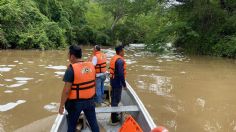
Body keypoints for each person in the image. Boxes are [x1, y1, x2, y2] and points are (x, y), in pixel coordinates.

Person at [59, 45, 99, 132]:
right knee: (93, 123)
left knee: (72, 125)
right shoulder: (91, 66)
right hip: (90, 101)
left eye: (68, 55)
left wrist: (61, 105)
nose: (68, 57)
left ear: (72, 56)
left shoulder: (71, 69)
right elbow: (94, 83)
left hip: (75, 103)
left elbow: (66, 91)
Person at [109, 45, 127, 125]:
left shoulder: (114, 58)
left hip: (113, 81)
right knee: (116, 100)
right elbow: (120, 74)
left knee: (114, 98)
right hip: (117, 83)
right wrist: (124, 84)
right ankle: (113, 119)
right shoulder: (120, 61)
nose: (124, 52)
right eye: (123, 51)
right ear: (120, 51)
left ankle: (114, 114)